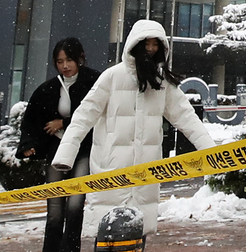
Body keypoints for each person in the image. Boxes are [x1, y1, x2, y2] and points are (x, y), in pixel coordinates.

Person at [51, 19, 217, 239]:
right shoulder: (112, 77)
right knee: (106, 243)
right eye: (145, 43)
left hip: (145, 176)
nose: (150, 49)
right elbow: (83, 116)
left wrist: (212, 153)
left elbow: (187, 118)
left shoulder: (161, 82)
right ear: (134, 45)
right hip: (110, 171)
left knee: (136, 242)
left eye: (155, 44)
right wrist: (65, 154)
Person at [20, 36, 100, 252]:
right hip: (57, 152)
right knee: (55, 211)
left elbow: (95, 112)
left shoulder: (94, 82)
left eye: (69, 60)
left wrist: (63, 123)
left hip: (84, 151)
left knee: (75, 207)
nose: (65, 66)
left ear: (79, 58)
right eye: (59, 61)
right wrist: (29, 146)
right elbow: (31, 120)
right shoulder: (47, 89)